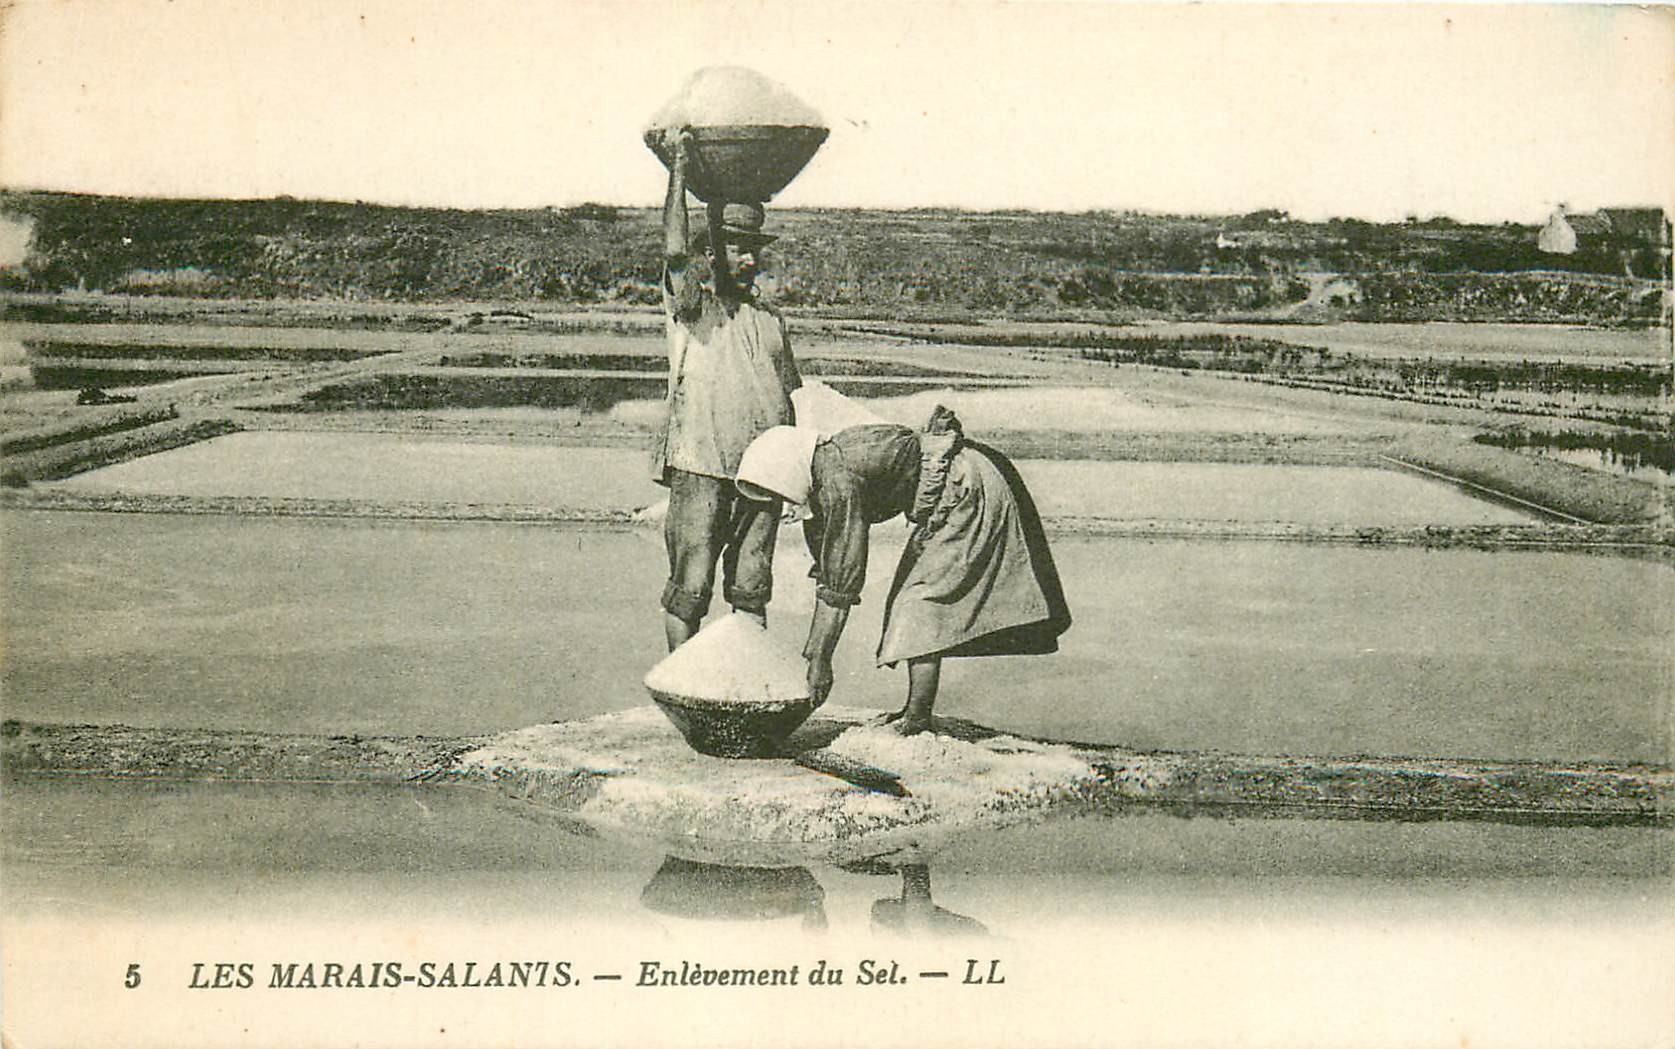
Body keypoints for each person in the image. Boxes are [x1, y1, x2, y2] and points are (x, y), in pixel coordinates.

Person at [735, 407, 1071, 736]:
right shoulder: (823, 464)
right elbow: (829, 569)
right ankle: (915, 711)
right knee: (912, 599)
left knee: (918, 604)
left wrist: (821, 663)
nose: (779, 504)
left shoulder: (836, 478)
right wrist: (812, 655)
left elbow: (842, 580)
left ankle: (918, 718)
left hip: (969, 487)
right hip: (953, 491)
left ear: (785, 472)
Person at [654, 127, 801, 652]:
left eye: (756, 251)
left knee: (752, 589)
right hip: (701, 463)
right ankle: (684, 685)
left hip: (762, 473)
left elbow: (795, 396)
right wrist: (678, 166)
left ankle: (745, 684)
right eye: (740, 250)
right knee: (690, 589)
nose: (752, 260)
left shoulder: (769, 320)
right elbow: (674, 247)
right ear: (713, 254)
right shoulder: (693, 306)